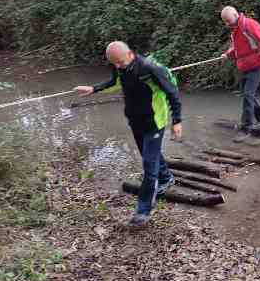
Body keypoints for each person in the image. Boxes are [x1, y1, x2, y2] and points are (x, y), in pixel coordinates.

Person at [75, 41, 181, 227]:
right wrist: (93, 89)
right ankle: (166, 177)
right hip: (135, 120)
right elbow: (114, 83)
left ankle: (143, 211)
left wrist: (177, 120)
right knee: (149, 155)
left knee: (149, 166)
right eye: (114, 64)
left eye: (120, 63)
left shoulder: (149, 69)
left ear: (130, 54)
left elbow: (172, 93)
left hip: (155, 121)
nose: (117, 67)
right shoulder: (120, 67)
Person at [220, 6, 260, 131]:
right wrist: (227, 54)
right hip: (245, 65)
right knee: (246, 93)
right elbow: (238, 48)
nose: (227, 24)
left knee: (248, 94)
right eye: (225, 22)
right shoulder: (235, 29)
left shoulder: (249, 24)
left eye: (228, 20)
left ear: (235, 14)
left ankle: (247, 125)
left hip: (257, 63)